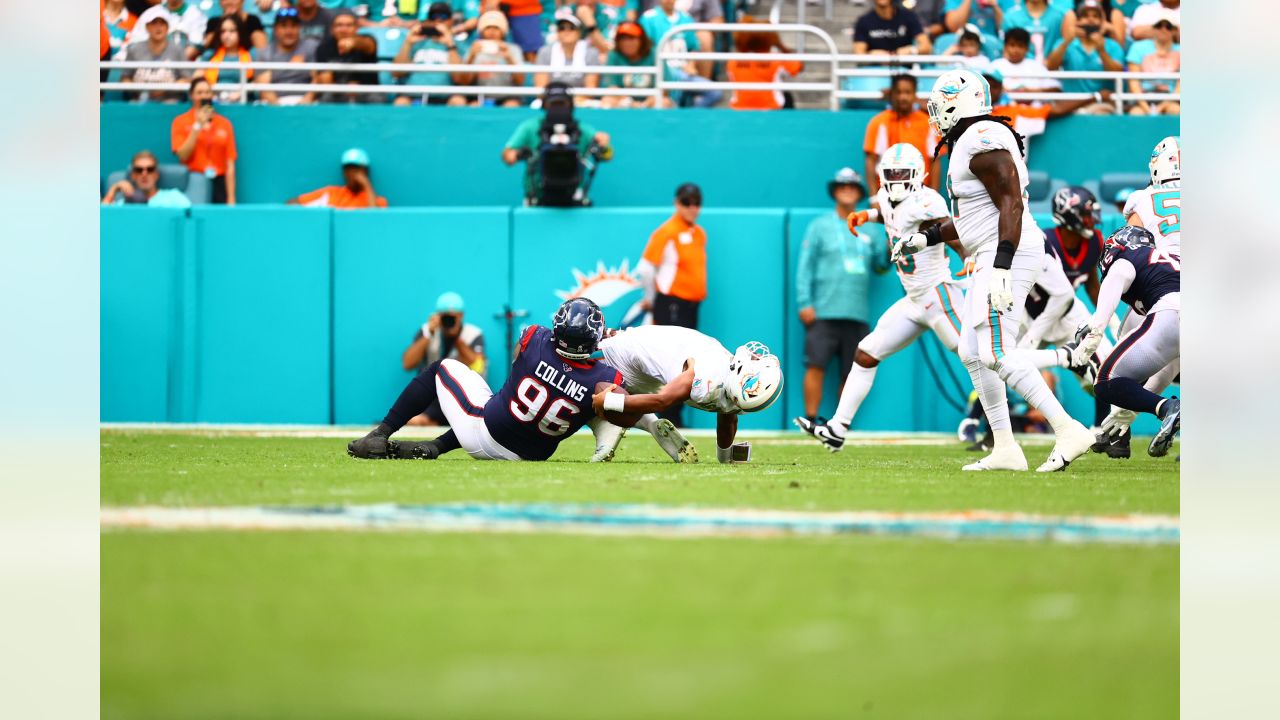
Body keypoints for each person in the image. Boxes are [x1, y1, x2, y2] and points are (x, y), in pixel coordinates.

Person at [894, 68, 1096, 471]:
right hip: (998, 247)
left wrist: (1002, 263)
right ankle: (1005, 446)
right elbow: (974, 216)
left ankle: (1068, 428)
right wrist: (928, 236)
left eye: (940, 104)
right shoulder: (970, 141)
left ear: (959, 100)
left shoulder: (980, 138)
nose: (934, 113)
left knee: (997, 351)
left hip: (1007, 251)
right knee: (973, 351)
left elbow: (1011, 204)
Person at [796, 145, 967, 451]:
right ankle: (836, 428)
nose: (897, 180)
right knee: (865, 353)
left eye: (903, 174)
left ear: (918, 175)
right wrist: (866, 214)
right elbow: (889, 214)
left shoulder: (927, 202)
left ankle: (1005, 420)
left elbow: (948, 231)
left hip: (937, 294)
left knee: (975, 354)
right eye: (891, 174)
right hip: (915, 301)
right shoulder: (886, 199)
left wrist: (968, 256)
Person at [347, 298, 625, 462]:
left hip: (486, 432)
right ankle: (436, 445)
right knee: (493, 406)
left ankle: (380, 434)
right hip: (530, 455)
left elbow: (520, 362)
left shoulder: (535, 338)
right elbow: (621, 401)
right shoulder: (605, 378)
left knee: (439, 369)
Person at [1092, 136, 1181, 454]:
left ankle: (1119, 432)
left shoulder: (1144, 198)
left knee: (1122, 360)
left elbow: (1134, 242)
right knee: (1171, 360)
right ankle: (1124, 424)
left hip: (1163, 283)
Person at [1066, 225, 1180, 457]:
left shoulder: (1129, 257)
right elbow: (1168, 365)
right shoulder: (1168, 262)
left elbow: (1121, 273)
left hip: (1173, 312)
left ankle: (1169, 408)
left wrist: (1095, 332)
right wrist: (1132, 411)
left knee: (1106, 382)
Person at [590, 327, 783, 464]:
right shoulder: (723, 384)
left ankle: (612, 428)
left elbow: (664, 401)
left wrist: (610, 400)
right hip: (640, 349)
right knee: (606, 398)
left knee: (585, 391)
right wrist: (726, 457)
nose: (756, 356)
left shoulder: (711, 380)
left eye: (756, 363)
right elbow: (727, 417)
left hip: (633, 354)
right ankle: (639, 424)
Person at [794, 168, 876, 428]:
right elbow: (805, 266)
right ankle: (810, 419)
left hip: (856, 310)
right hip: (825, 310)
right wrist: (804, 301)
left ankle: (840, 423)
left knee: (851, 372)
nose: (847, 190)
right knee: (816, 365)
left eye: (852, 186)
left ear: (859, 193)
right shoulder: (819, 226)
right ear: (835, 191)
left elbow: (883, 265)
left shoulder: (871, 230)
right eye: (842, 185)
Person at [634, 182, 708, 426]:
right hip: (671, 303)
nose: (692, 208)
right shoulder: (667, 231)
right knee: (673, 360)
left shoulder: (699, 233)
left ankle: (675, 414)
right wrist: (653, 299)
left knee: (688, 360)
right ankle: (668, 415)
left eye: (696, 203)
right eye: (687, 203)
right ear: (677, 203)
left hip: (690, 304)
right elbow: (645, 268)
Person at [501, 83, 613, 205]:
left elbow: (607, 156)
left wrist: (604, 146)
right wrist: (517, 154)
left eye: (562, 104)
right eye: (553, 104)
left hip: (574, 197)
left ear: (570, 105)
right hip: (537, 197)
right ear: (544, 105)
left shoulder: (583, 129)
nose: (557, 108)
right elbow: (508, 155)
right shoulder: (529, 127)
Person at [397, 291, 488, 427]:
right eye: (445, 317)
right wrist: (428, 334)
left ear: (461, 316)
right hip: (432, 396)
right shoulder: (427, 331)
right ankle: (431, 422)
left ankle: (434, 423)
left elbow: (478, 366)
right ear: (437, 316)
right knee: (416, 421)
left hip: (460, 396)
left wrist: (456, 338)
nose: (449, 321)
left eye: (453, 317)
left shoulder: (473, 334)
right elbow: (407, 364)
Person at [863, 74, 944, 195]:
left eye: (907, 92)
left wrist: (933, 194)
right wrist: (874, 197)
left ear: (915, 94)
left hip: (920, 193)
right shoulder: (879, 122)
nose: (903, 97)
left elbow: (935, 162)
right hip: (887, 193)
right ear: (892, 94)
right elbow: (870, 161)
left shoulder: (928, 123)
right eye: (898, 92)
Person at [1045, 0, 1123, 112]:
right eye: (1085, 16)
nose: (1090, 19)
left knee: (1101, 115)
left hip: (1100, 103)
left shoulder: (1112, 45)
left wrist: (1101, 51)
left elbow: (1117, 74)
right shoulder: (1064, 43)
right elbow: (1051, 67)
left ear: (1102, 22)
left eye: (1095, 16)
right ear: (1078, 21)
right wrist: (1067, 41)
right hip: (1070, 103)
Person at [640, 0, 719, 108]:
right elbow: (645, 49)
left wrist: (690, 64)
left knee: (714, 92)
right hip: (660, 72)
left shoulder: (686, 18)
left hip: (682, 71)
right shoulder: (648, 18)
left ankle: (691, 117)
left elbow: (693, 47)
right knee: (673, 94)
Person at [170, 78, 237, 205]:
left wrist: (231, 197)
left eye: (207, 92)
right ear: (192, 96)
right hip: (194, 178)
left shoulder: (224, 123)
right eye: (199, 93)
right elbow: (183, 155)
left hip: (218, 180)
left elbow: (230, 164)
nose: (204, 96)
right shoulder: (180, 121)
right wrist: (198, 126)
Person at [392, 3, 468, 106]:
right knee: (401, 102)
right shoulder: (416, 41)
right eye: (434, 17)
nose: (438, 20)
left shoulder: (458, 44)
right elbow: (397, 73)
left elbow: (460, 78)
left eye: (444, 17)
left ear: (451, 20)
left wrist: (450, 44)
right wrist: (408, 43)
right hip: (413, 96)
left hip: (446, 97)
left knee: (458, 101)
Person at [121, 6, 190, 103]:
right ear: (147, 27)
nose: (158, 27)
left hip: (170, 100)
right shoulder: (134, 49)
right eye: (154, 23)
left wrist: (165, 88)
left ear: (168, 27)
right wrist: (140, 89)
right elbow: (125, 78)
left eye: (162, 23)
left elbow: (186, 79)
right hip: (140, 100)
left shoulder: (177, 49)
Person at [725, 25, 803, 111]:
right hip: (772, 108)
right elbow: (799, 66)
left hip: (739, 108)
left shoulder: (732, 61)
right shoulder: (776, 59)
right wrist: (781, 46)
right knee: (787, 97)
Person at [458, 10, 526, 106]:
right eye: (488, 27)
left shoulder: (513, 49)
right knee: (471, 105)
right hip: (478, 97)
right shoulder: (474, 48)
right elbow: (465, 82)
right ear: (482, 31)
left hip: (506, 98)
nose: (492, 31)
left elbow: (520, 81)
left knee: (512, 105)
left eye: (496, 28)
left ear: (503, 31)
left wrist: (509, 58)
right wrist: (471, 57)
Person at [256, 7, 320, 106]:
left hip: (306, 103)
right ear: (275, 30)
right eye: (283, 26)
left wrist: (305, 103)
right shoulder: (266, 52)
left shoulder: (311, 47)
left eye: (293, 26)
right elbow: (263, 86)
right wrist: (279, 108)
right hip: (275, 103)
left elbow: (317, 79)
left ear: (299, 28)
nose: (289, 31)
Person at [315, 11, 382, 103]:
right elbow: (325, 81)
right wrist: (345, 88)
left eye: (349, 25)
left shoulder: (367, 40)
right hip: (337, 93)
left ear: (357, 28)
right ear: (332, 29)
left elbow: (369, 46)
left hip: (366, 92)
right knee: (326, 98)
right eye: (339, 25)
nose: (344, 29)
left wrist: (353, 43)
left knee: (376, 98)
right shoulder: (324, 48)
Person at [287, 148, 388, 209]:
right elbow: (291, 205)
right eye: (348, 169)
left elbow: (376, 222)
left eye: (357, 170)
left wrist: (366, 184)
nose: (352, 174)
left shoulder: (378, 201)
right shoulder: (330, 193)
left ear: (366, 172)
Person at [535, 10, 602, 93]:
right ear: (557, 32)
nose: (566, 31)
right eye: (562, 28)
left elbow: (591, 88)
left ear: (579, 32)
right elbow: (541, 88)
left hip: (581, 101)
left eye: (572, 28)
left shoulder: (591, 53)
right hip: (551, 100)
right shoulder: (545, 52)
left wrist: (571, 101)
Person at [1126, 18, 1179, 115]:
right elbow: (1133, 82)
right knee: (1136, 114)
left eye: (1168, 27)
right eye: (1159, 26)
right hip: (1143, 96)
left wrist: (1161, 107)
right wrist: (1146, 108)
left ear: (1175, 30)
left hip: (1170, 97)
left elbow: (1180, 87)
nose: (1163, 29)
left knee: (1175, 111)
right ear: (1153, 29)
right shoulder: (1138, 47)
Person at [601, 21, 658, 109]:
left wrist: (646, 104)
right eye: (623, 39)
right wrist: (630, 102)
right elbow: (612, 86)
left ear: (641, 40)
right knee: (608, 100)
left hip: (650, 101)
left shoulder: (653, 54)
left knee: (665, 102)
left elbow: (663, 88)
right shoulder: (614, 55)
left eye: (632, 38)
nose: (627, 43)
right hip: (623, 100)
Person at [990, 27, 1059, 94]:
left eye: (1020, 45)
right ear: (1005, 46)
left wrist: (1031, 92)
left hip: (1033, 106)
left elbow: (1056, 88)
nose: (1016, 50)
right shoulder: (995, 65)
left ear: (1027, 48)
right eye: (1012, 45)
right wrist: (1002, 91)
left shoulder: (1036, 66)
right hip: (1002, 105)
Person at [204, 15, 255, 102]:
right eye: (223, 31)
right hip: (213, 101)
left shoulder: (252, 55)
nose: (226, 35)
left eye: (232, 31)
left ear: (240, 32)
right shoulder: (209, 55)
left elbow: (259, 81)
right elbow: (197, 79)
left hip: (242, 102)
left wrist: (241, 93)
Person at [853, 0, 932, 56]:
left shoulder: (908, 17)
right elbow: (858, 52)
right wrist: (872, 54)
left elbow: (926, 47)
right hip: (875, 70)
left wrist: (911, 50)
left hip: (904, 69)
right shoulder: (864, 21)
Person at [1001, 0, 1067, 64]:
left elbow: (1063, 46)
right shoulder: (1011, 16)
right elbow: (1005, 50)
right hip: (1020, 71)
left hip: (1051, 70)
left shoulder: (1060, 16)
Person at [203, 0, 268, 53]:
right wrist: (225, 20)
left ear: (242, 1)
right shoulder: (214, 22)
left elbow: (262, 48)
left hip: (246, 62)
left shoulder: (253, 20)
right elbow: (207, 46)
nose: (229, 2)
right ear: (220, 2)